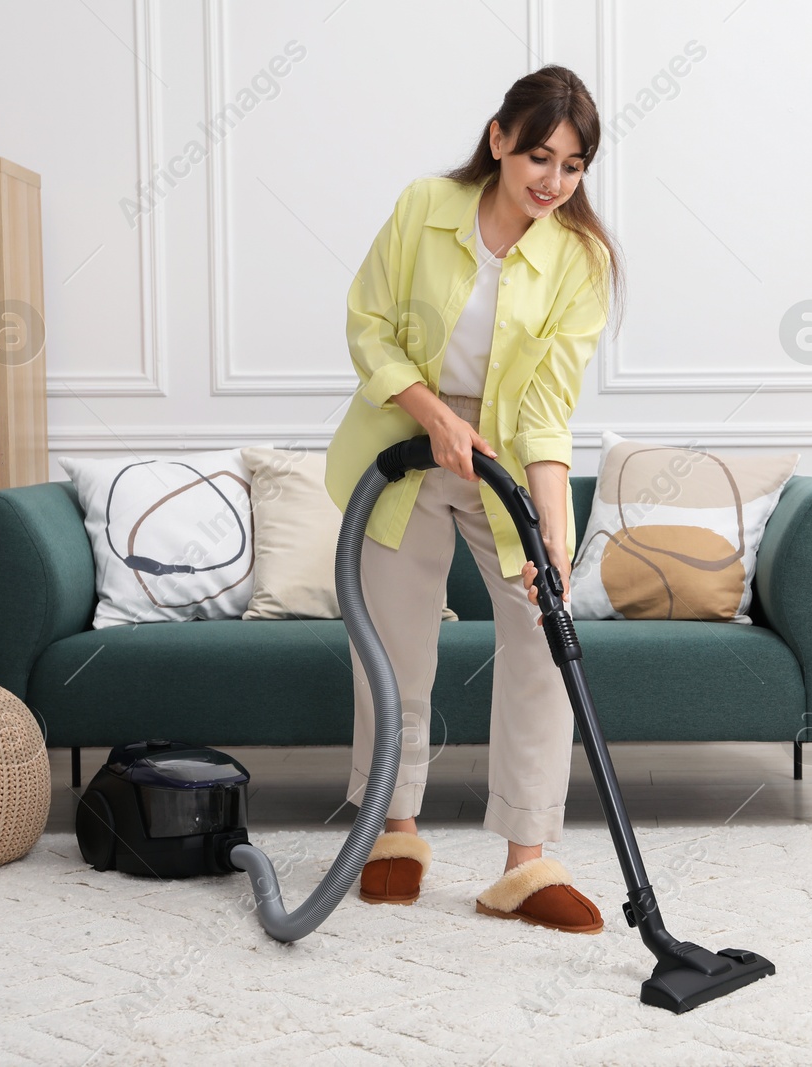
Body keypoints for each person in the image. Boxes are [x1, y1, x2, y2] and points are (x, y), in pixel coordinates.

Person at [323, 65, 624, 934]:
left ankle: (525, 863)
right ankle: (395, 831)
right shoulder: (425, 208)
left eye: (573, 166)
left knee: (542, 636)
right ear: (498, 138)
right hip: (399, 450)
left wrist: (556, 543)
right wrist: (431, 416)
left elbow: (546, 411)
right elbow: (368, 326)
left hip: (506, 462)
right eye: (539, 155)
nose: (552, 182)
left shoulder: (581, 259)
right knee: (393, 646)